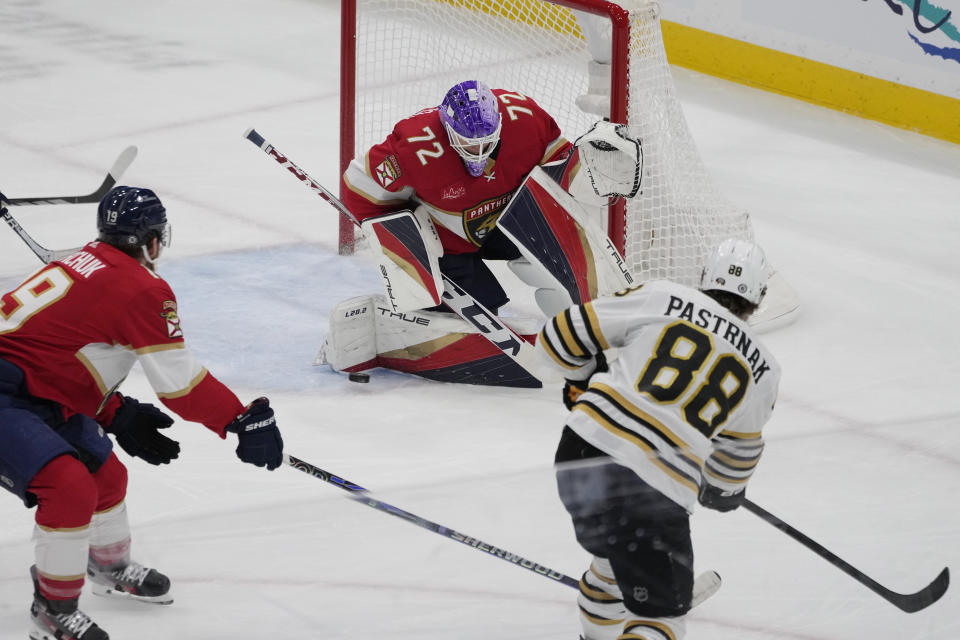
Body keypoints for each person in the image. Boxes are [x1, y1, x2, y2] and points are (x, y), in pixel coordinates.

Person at [0, 187, 284, 640]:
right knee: (68, 488)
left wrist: (112, 411)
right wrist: (240, 417)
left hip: (35, 390)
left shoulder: (87, 259)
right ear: (153, 240)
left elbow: (56, 355)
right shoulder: (141, 289)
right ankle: (53, 607)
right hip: (10, 396)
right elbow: (180, 386)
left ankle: (106, 565)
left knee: (106, 477)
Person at [322, 79, 643, 387]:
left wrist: (583, 171)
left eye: (487, 143)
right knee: (481, 311)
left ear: (501, 124)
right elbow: (357, 189)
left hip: (512, 218)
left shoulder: (525, 118)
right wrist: (401, 242)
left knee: (565, 260)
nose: (478, 153)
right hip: (448, 241)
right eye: (467, 144)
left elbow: (555, 162)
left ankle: (598, 328)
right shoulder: (413, 148)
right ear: (447, 131)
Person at [537, 238, 781, 640]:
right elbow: (734, 463)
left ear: (704, 277)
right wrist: (721, 492)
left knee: (611, 567)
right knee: (661, 618)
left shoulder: (661, 296)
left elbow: (558, 339)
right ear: (759, 297)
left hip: (581, 454)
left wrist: (582, 381)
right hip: (651, 489)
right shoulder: (765, 370)